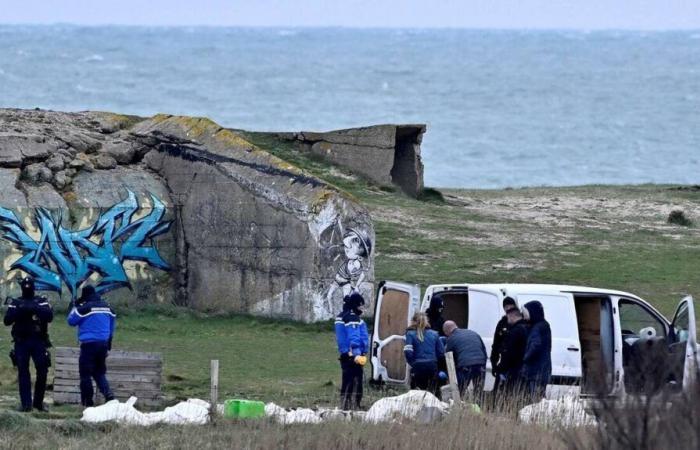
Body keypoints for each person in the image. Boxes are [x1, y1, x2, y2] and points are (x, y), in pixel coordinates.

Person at [3, 277, 53, 412]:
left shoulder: (41, 301)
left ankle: (38, 403)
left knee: (42, 372)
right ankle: (26, 404)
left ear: (33, 287)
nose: (27, 288)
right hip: (21, 341)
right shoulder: (16, 302)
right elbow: (7, 320)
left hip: (38, 340)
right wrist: (21, 309)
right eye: (24, 286)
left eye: (28, 286)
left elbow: (49, 316)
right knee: (23, 373)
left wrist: (34, 308)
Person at [67, 285, 116, 407]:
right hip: (103, 344)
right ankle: (108, 394)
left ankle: (87, 402)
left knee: (85, 374)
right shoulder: (108, 308)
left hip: (88, 345)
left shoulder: (84, 308)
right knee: (99, 372)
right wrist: (109, 344)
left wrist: (75, 306)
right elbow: (111, 328)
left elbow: (71, 321)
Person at [334, 291, 368, 410]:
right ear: (356, 304)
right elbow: (354, 337)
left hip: (345, 354)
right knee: (356, 382)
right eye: (361, 305)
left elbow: (341, 338)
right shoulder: (352, 317)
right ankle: (354, 406)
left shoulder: (341, 316)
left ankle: (345, 405)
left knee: (346, 381)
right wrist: (357, 354)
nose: (362, 308)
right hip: (353, 356)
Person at [443, 320, 487, 402]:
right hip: (480, 364)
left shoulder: (451, 338)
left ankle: (460, 409)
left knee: (460, 391)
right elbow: (484, 351)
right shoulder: (473, 333)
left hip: (465, 366)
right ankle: (478, 410)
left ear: (447, 331)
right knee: (479, 392)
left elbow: (449, 358)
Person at [404, 312, 444, 395]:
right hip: (432, 366)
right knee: (432, 392)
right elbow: (441, 353)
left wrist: (413, 363)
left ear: (413, 321)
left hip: (418, 366)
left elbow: (408, 351)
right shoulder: (435, 334)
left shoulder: (410, 334)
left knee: (417, 392)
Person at [521, 300, 552, 402]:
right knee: (539, 398)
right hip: (544, 369)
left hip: (536, 370)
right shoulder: (545, 325)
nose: (524, 317)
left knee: (535, 399)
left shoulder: (537, 327)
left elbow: (535, 344)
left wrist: (525, 358)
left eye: (525, 314)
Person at [495, 307, 529, 397]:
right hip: (522, 368)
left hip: (512, 369)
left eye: (507, 317)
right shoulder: (527, 328)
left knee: (508, 395)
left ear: (512, 316)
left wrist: (502, 367)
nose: (507, 320)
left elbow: (509, 351)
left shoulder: (515, 331)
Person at [490, 296, 518, 391]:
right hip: (504, 362)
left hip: (515, 364)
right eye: (506, 307)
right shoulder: (502, 323)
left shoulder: (520, 324)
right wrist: (494, 364)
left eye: (510, 306)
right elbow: (496, 344)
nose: (508, 309)